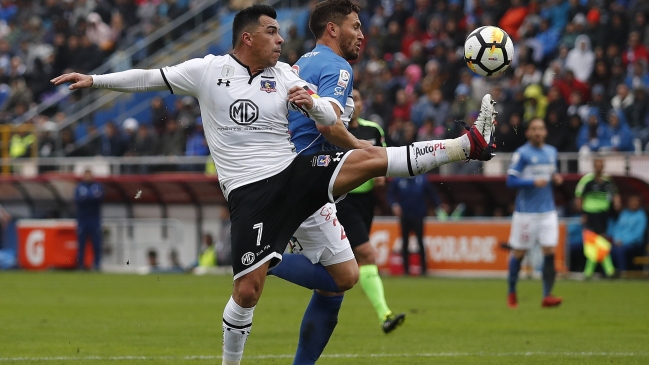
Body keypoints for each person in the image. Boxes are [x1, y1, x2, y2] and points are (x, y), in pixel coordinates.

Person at [50, 4, 497, 363]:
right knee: (247, 292)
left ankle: (466, 146)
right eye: (272, 32)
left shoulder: (286, 76)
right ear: (249, 37)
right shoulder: (207, 71)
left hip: (293, 174)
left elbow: (328, 118)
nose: (282, 40)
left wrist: (314, 104)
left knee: (348, 262)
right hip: (248, 191)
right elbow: (149, 77)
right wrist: (94, 80)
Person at [336, 89, 406, 332]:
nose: (352, 104)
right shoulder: (336, 130)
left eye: (355, 99)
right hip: (341, 201)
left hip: (367, 201)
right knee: (367, 253)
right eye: (347, 99)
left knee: (347, 262)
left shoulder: (374, 130)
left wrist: (381, 176)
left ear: (362, 103)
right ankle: (384, 314)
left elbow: (382, 159)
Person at [505, 118, 564, 309]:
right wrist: (531, 182)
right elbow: (510, 181)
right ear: (528, 132)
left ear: (545, 132)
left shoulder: (551, 152)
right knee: (519, 253)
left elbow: (550, 175)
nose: (538, 132)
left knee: (550, 251)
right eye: (534, 129)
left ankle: (547, 295)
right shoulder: (522, 154)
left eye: (541, 128)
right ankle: (512, 293)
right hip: (526, 213)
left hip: (548, 211)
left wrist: (555, 179)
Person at [575, 158, 621, 278]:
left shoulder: (607, 181)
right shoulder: (586, 180)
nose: (599, 167)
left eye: (601, 164)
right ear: (594, 166)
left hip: (603, 214)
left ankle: (589, 272)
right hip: (590, 214)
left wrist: (616, 202)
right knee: (595, 242)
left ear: (603, 166)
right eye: (597, 164)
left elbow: (615, 194)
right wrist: (582, 213)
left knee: (599, 242)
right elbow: (579, 196)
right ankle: (609, 270)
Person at [388, 175, 440, 276]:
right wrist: (394, 205)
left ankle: (424, 270)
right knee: (405, 242)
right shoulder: (398, 180)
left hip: (418, 216)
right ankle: (406, 270)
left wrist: (439, 205)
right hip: (404, 216)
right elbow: (390, 195)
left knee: (420, 242)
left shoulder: (422, 179)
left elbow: (432, 194)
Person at [74, 169, 104, 271]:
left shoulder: (97, 186)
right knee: (81, 244)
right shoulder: (80, 186)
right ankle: (81, 266)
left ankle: (97, 265)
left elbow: (99, 198)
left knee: (96, 244)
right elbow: (78, 199)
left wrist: (86, 197)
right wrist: (91, 197)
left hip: (94, 219)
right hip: (83, 219)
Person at [609, 195, 647, 272]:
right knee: (607, 249)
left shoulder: (641, 216)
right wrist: (616, 239)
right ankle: (610, 272)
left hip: (634, 244)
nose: (634, 204)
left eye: (636, 203)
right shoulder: (624, 214)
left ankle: (623, 272)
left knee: (620, 251)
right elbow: (617, 228)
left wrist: (623, 241)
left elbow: (638, 234)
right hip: (619, 242)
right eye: (632, 202)